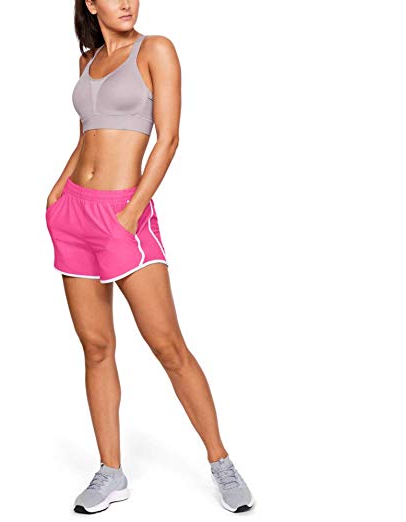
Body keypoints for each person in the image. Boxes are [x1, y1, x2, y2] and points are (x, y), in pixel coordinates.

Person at [45, 0, 254, 514]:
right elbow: (88, 135)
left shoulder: (155, 49)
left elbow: (169, 137)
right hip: (74, 215)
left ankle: (221, 461)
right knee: (96, 347)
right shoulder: (88, 60)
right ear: (90, 3)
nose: (126, 2)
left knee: (168, 345)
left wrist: (132, 211)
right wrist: (57, 190)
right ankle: (111, 471)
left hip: (123, 215)